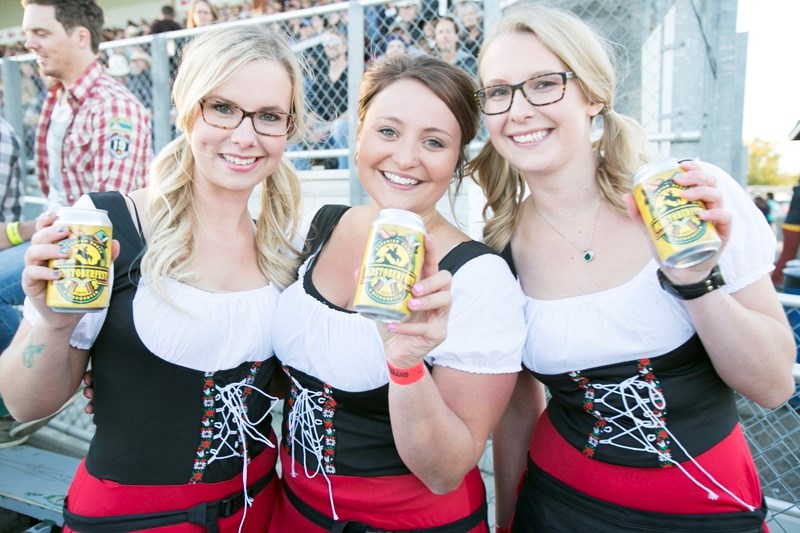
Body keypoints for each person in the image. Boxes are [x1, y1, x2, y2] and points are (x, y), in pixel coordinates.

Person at [468, 4, 796, 532]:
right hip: (559, 508)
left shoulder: (688, 197)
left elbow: (774, 385)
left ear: (593, 95)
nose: (519, 109)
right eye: (499, 92)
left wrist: (696, 280)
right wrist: (507, 522)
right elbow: (517, 408)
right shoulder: (498, 252)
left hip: (710, 507)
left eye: (545, 84)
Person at [0, 24, 307, 531]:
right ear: (188, 108)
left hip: (261, 510)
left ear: (287, 128)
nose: (245, 135)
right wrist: (53, 328)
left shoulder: (287, 246)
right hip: (131, 519)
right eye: (223, 107)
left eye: (269, 116)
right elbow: (25, 402)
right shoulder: (108, 224)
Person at [268, 54, 525, 532]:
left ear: (457, 160)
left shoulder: (479, 279)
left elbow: (446, 472)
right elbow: (298, 370)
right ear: (360, 132)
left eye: (433, 142)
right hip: (292, 513)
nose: (406, 158)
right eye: (388, 131)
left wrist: (406, 367)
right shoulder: (321, 226)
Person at [773, 176, 800, 288]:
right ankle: (776, 279)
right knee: (788, 254)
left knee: (789, 255)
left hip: (794, 225)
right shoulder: (798, 190)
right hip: (793, 226)